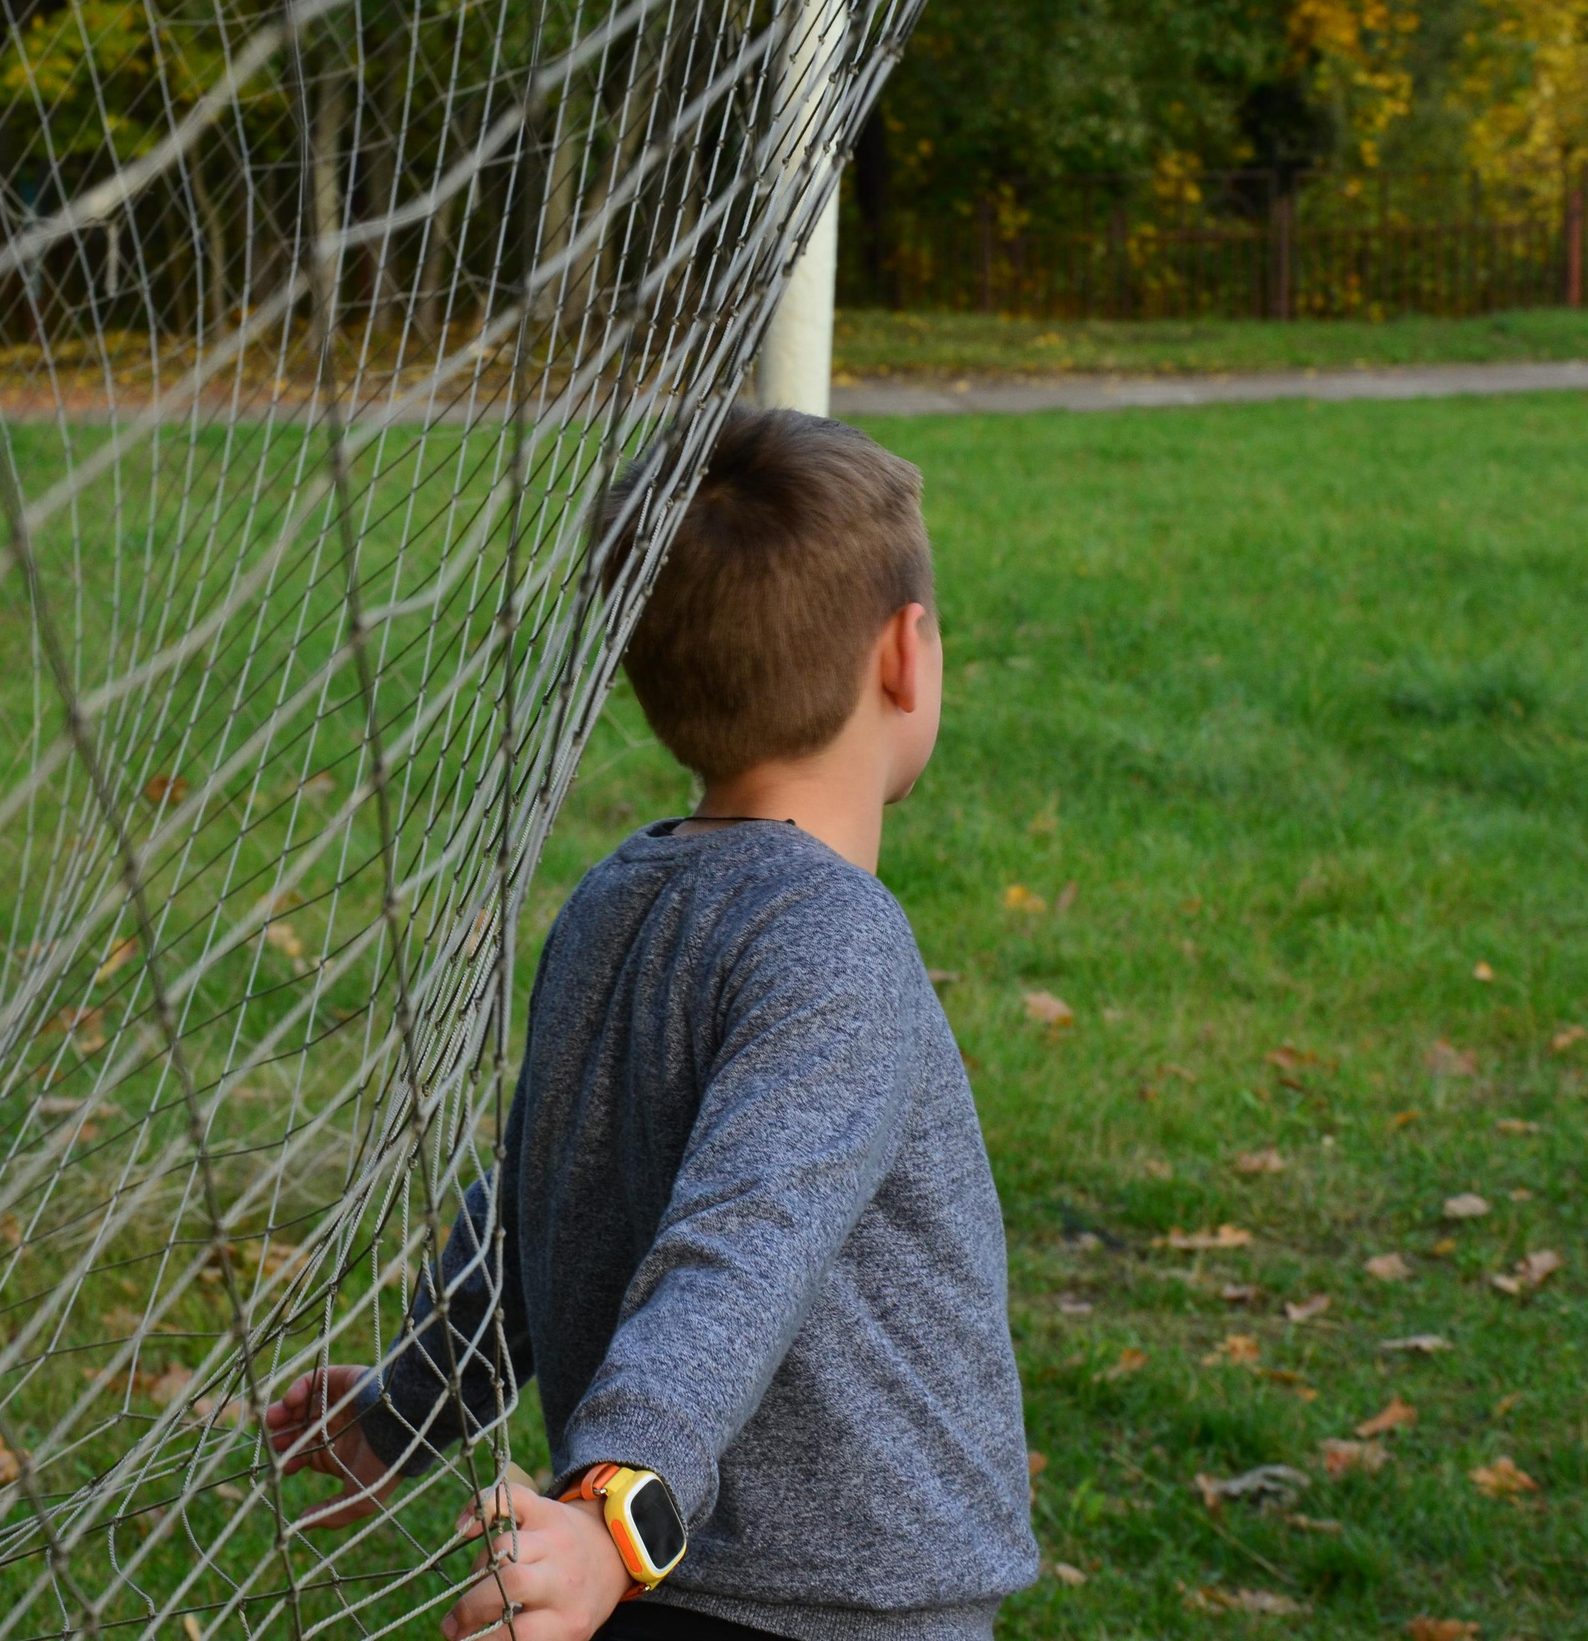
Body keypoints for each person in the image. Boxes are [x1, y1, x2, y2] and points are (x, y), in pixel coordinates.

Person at [264, 407, 1037, 1641]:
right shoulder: (837, 941)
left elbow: (529, 1199)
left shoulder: (617, 896)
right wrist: (623, 1500)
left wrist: (408, 1406)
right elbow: (749, 1235)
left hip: (636, 1570)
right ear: (907, 652)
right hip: (837, 1601)